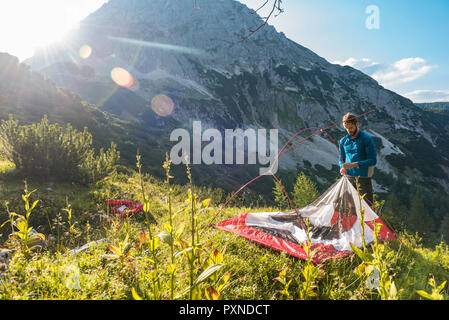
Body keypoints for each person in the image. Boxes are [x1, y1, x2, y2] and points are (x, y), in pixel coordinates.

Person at [338, 112, 377, 205]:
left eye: (350, 128)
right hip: (348, 177)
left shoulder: (367, 139)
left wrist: (354, 164)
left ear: (357, 124)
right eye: (346, 128)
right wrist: (341, 167)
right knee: (349, 206)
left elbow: (372, 160)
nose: (349, 131)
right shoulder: (343, 141)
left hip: (363, 177)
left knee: (366, 206)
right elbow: (341, 158)